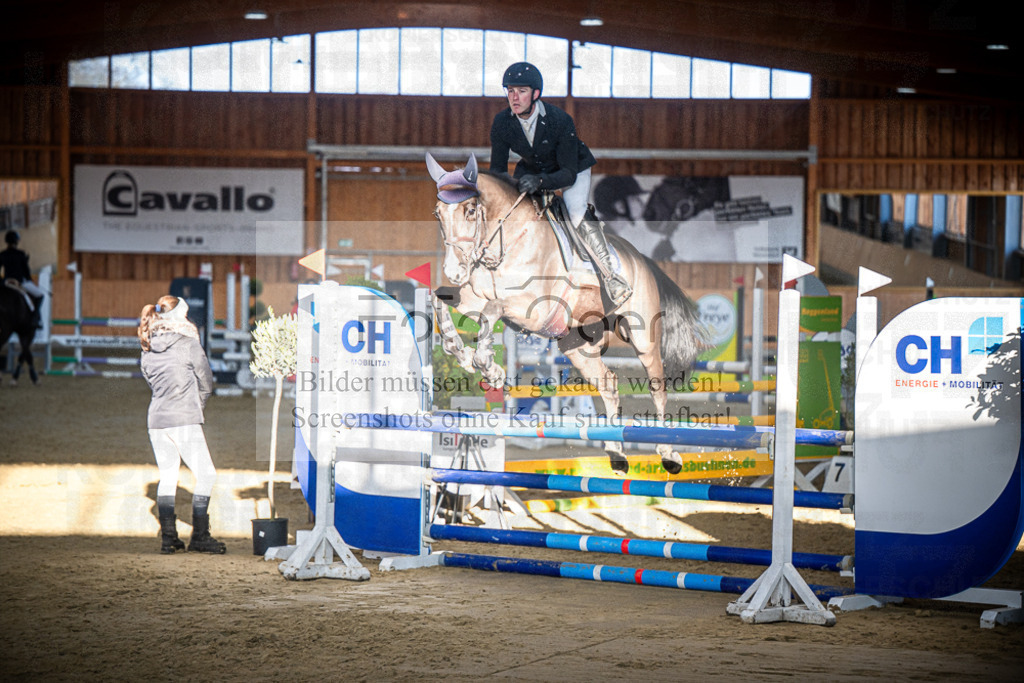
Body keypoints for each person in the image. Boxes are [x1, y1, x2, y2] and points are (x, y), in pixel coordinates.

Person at [489, 62, 631, 307]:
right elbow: (498, 170)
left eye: (521, 91)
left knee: (575, 212)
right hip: (534, 169)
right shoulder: (502, 122)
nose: (514, 97)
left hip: (571, 168)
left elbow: (567, 175)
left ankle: (611, 276)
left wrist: (541, 182)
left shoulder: (559, 120)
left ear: (535, 94)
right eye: (510, 91)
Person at [138, 295, 226, 554]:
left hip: (156, 419)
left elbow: (152, 382)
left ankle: (168, 538)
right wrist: (196, 404)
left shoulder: (147, 347)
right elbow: (206, 383)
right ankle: (200, 536)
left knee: (168, 477)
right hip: (184, 418)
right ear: (180, 316)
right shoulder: (189, 344)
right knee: (207, 474)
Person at [0, 230, 45, 327]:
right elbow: (26, 272)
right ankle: (36, 319)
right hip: (20, 282)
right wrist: (30, 280)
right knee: (40, 296)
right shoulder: (21, 254)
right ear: (16, 241)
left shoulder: (2, 254)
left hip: (6, 282)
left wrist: (2, 282)